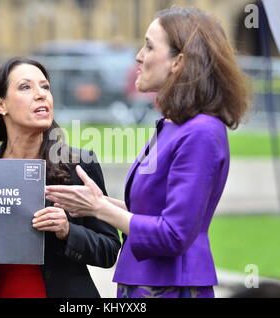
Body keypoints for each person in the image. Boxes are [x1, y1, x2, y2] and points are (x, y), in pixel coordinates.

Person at [45, 7, 250, 298]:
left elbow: (174, 234)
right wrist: (96, 202)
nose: (139, 56)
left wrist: (98, 208)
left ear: (179, 61)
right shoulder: (175, 125)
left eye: (150, 46)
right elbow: (150, 213)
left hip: (171, 286)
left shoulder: (201, 131)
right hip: (146, 283)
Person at [0, 57, 121, 298]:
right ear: (0, 105)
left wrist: (67, 231)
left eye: (45, 87)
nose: (41, 94)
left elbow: (109, 250)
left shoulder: (79, 165)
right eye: (25, 87)